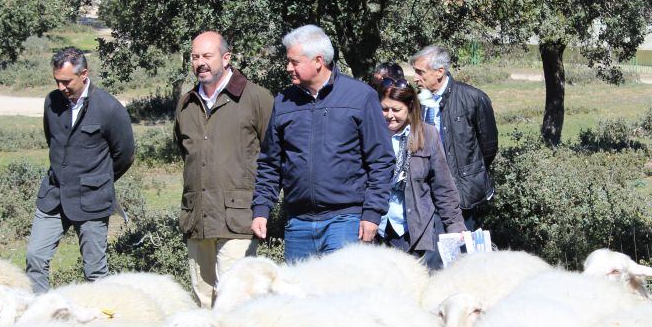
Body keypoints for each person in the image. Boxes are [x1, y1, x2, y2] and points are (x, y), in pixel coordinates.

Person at [251, 25, 394, 262]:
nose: (288, 68)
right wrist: (261, 209)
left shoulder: (360, 97)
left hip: (346, 221)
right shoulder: (284, 102)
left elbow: (381, 160)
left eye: (294, 62)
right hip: (298, 223)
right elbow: (270, 163)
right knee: (299, 297)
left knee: (341, 296)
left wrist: (372, 214)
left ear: (318, 61)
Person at [175, 31, 274, 306]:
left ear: (226, 58)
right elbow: (186, 153)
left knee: (235, 301)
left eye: (207, 56)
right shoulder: (186, 103)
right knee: (203, 299)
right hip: (198, 217)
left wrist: (265, 207)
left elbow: (274, 154)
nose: (200, 63)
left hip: (239, 218)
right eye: (195, 57)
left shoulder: (256, 98)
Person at [25, 47, 135, 293]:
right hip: (53, 196)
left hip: (92, 200)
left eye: (66, 81)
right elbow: (53, 141)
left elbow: (125, 154)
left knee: (95, 271)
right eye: (57, 81)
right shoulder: (51, 102)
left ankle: (101, 326)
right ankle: (40, 319)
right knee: (35, 258)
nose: (61, 87)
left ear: (84, 73)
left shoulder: (109, 108)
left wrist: (98, 179)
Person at [376, 78, 467, 269]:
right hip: (381, 227)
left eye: (396, 110)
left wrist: (455, 225)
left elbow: (443, 186)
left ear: (409, 108)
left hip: (416, 228)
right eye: (385, 109)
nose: (389, 116)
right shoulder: (371, 135)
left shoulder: (428, 135)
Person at [410, 45, 498, 230]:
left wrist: (467, 171)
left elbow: (488, 147)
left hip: (463, 193)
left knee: (464, 252)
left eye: (420, 72)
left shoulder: (473, 98)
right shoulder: (416, 102)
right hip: (428, 192)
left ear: (439, 72)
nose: (415, 78)